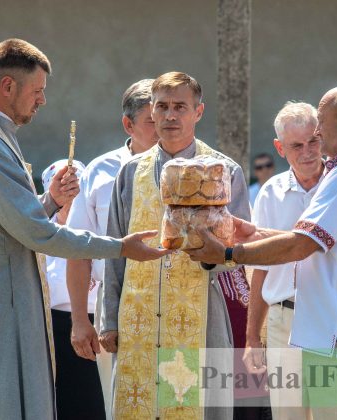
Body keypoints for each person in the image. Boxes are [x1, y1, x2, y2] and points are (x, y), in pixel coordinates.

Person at [0, 38, 170, 420]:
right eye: (38, 91)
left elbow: (14, 224)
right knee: (0, 404)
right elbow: (40, 235)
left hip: (4, 291)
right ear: (8, 86)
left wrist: (49, 202)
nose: (42, 101)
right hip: (0, 300)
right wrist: (121, 247)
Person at [188, 85, 337, 420]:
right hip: (327, 333)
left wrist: (228, 252)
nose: (317, 134)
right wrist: (256, 234)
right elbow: (316, 243)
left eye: (320, 124)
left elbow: (302, 245)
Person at [100, 71, 250, 419]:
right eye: (162, 106)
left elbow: (239, 252)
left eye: (180, 106)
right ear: (151, 111)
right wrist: (109, 318)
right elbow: (114, 248)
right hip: (138, 316)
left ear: (198, 112)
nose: (170, 116)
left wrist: (216, 255)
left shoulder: (224, 171)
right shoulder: (130, 172)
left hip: (201, 312)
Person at [66, 78, 158, 417]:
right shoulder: (100, 172)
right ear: (128, 124)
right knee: (120, 403)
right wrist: (79, 319)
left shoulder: (191, 168)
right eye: (152, 119)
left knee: (181, 399)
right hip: (115, 305)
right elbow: (78, 248)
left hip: (179, 302)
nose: (163, 126)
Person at [244, 101, 323, 420]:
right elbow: (260, 268)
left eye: (313, 141)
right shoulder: (269, 193)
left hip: (327, 319)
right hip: (282, 323)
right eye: (296, 145)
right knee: (289, 416)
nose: (307, 152)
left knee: (326, 412)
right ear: (280, 148)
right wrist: (252, 338)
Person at [39, 160, 107, 420]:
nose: (71, 192)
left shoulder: (96, 223)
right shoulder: (38, 228)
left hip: (97, 325)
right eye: (63, 186)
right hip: (50, 330)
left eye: (75, 185)